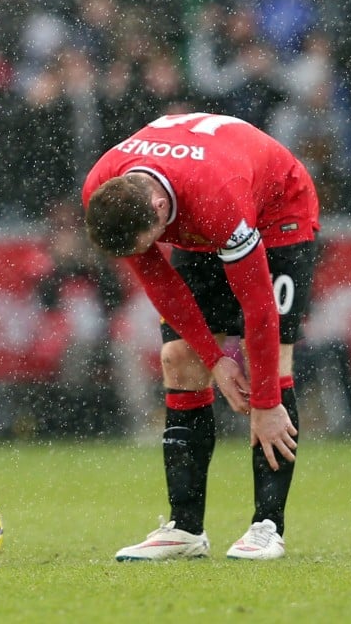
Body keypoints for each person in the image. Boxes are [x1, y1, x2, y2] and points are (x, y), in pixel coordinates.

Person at [82, 112, 319, 561]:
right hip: (200, 216)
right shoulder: (103, 186)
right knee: (179, 359)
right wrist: (213, 358)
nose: (143, 256)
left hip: (276, 211)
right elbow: (160, 283)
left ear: (156, 211)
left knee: (272, 359)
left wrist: (265, 404)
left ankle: (267, 526)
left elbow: (259, 309)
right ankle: (185, 529)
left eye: (146, 242)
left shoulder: (217, 196)